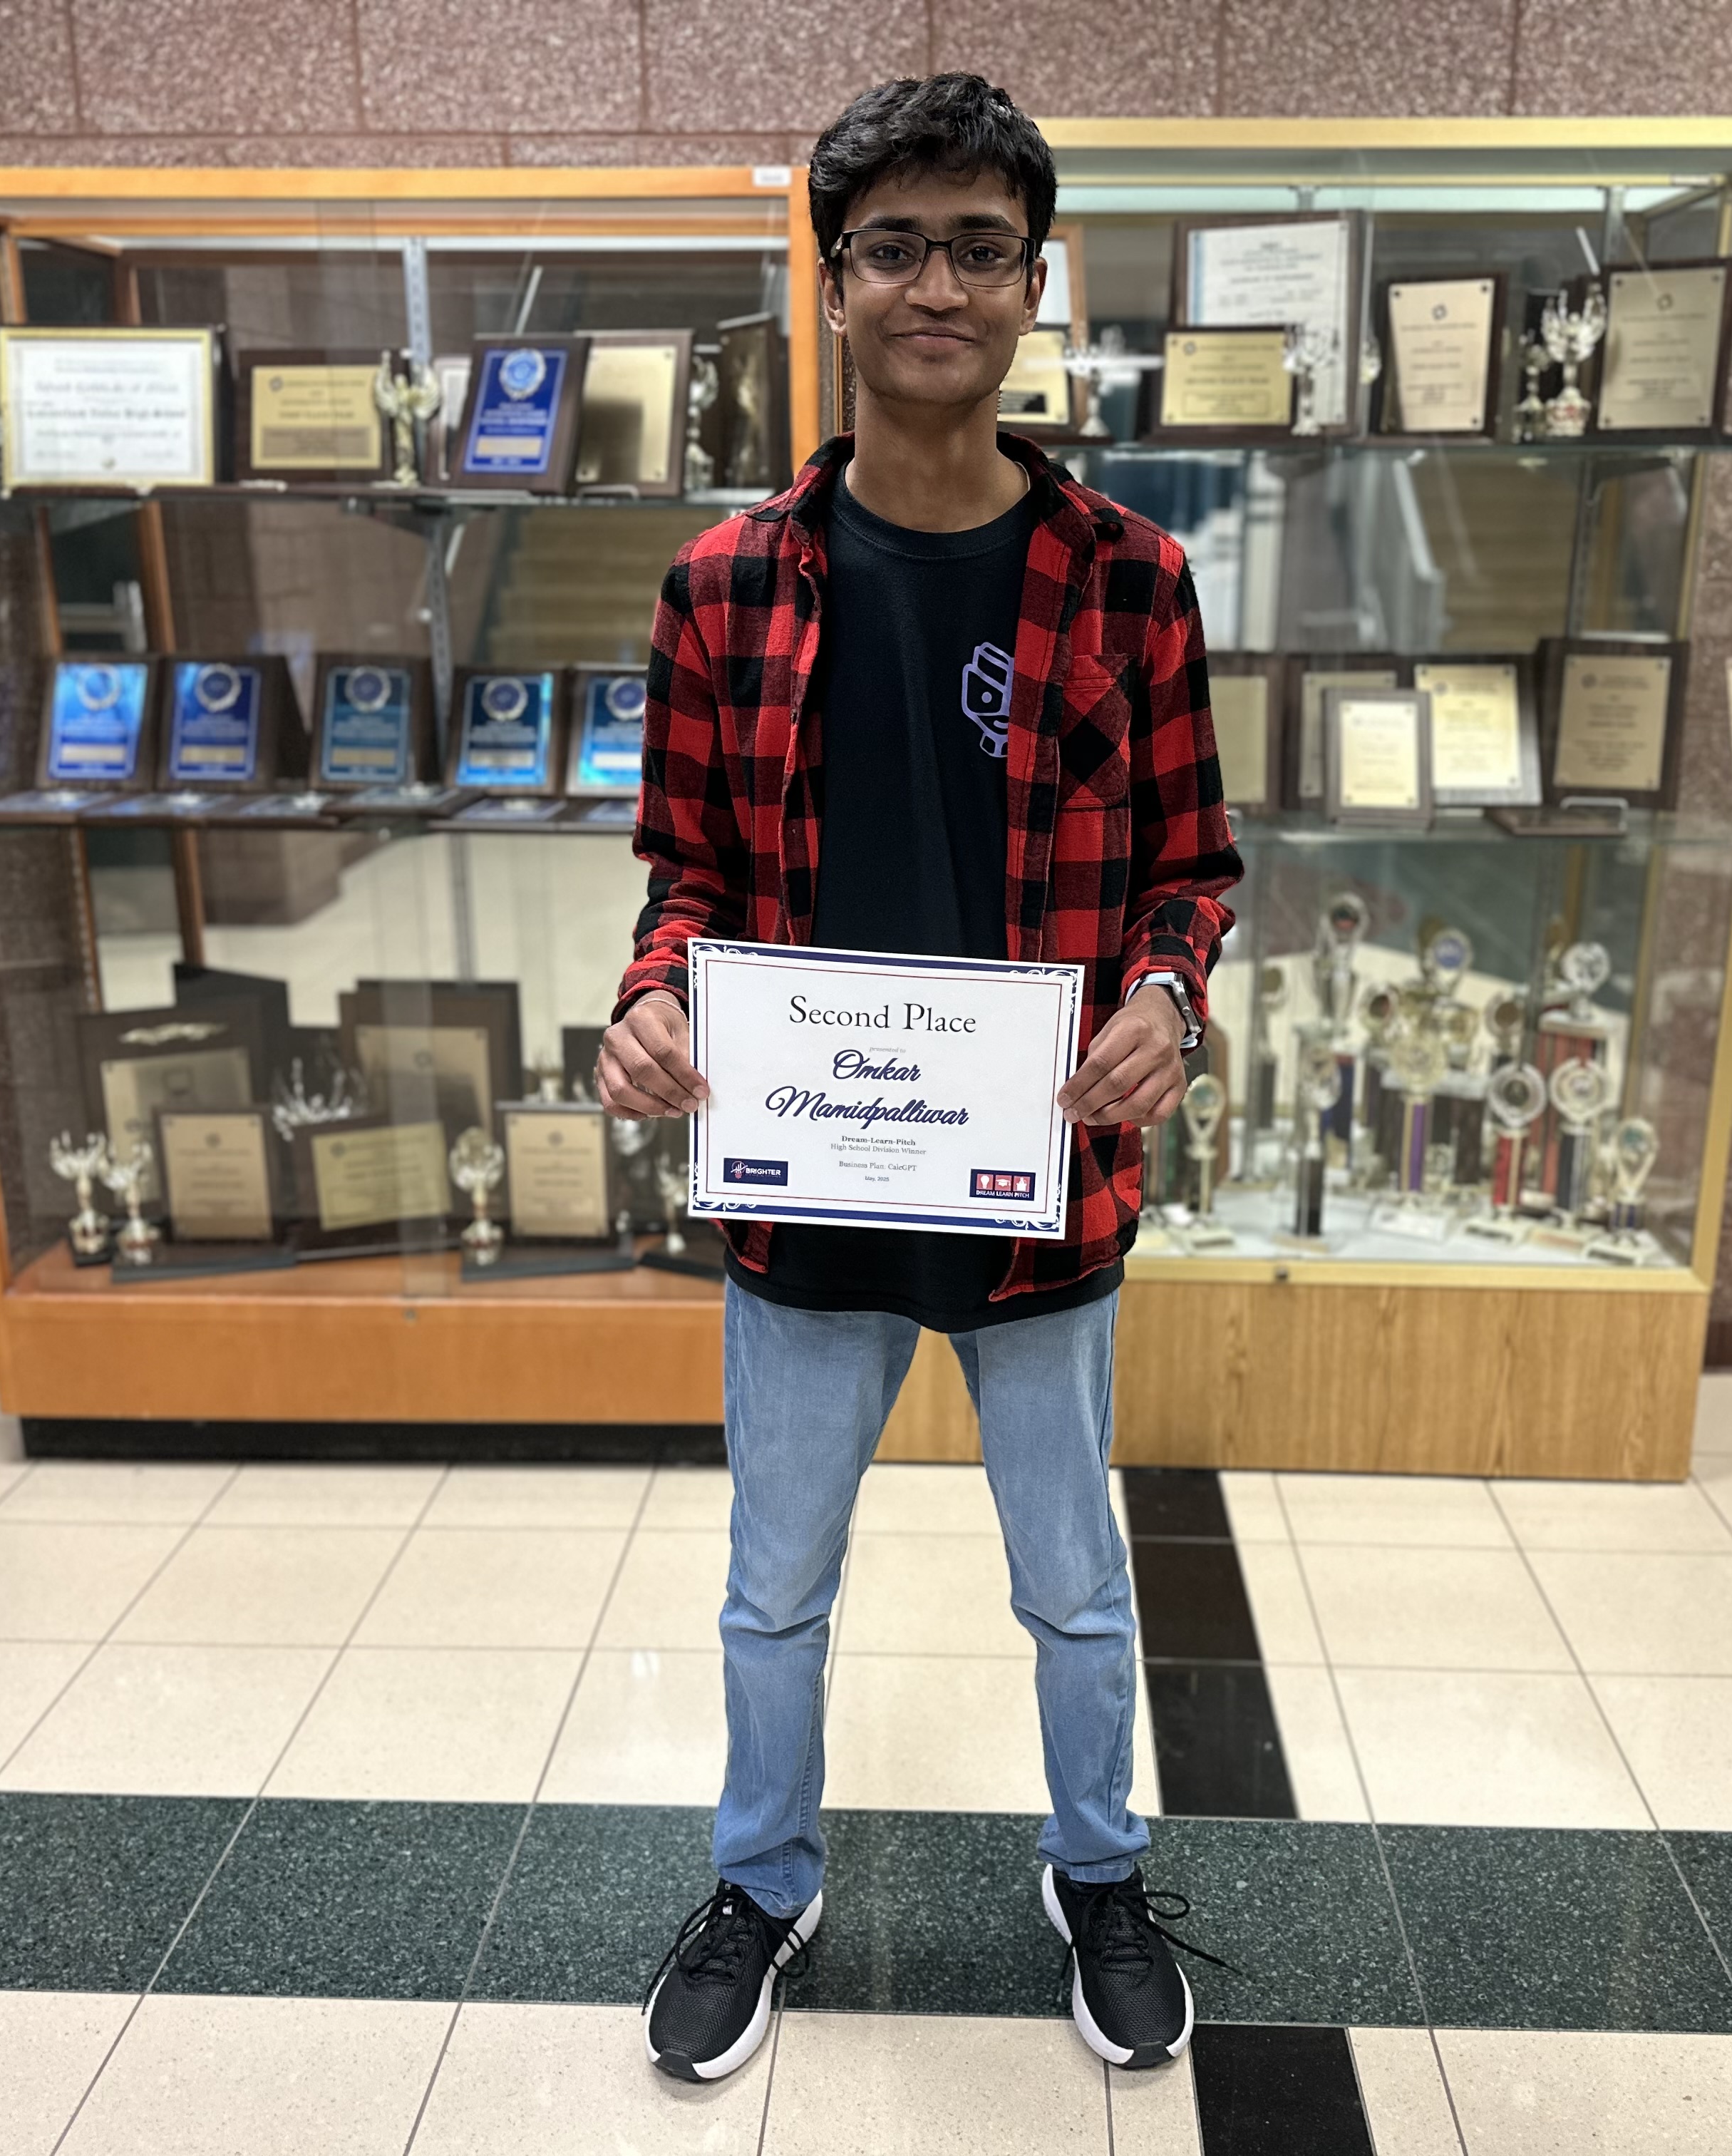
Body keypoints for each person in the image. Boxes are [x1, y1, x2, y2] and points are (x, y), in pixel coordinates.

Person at [593, 72, 1243, 2085]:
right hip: (808, 1184)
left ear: (1036, 283)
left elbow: (1193, 871)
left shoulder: (1133, 580)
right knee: (771, 1593)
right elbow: (686, 875)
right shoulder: (725, 586)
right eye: (894, 246)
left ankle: (1098, 1871)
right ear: (836, 282)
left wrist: (1169, 995)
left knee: (1077, 1591)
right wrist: (655, 1004)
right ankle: (761, 1883)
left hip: (1038, 1186)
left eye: (979, 247)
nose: (936, 285)